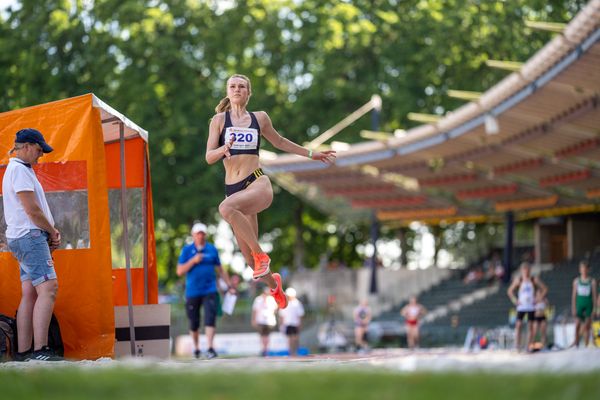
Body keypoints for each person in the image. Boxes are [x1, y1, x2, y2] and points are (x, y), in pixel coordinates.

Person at [206, 74, 336, 310]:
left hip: (256, 183)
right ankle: (275, 286)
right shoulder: (218, 120)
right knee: (249, 262)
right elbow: (209, 156)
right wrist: (224, 148)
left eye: (242, 87)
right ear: (227, 91)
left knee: (225, 209)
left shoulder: (260, 118)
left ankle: (261, 255)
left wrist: (310, 154)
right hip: (233, 192)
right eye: (233, 86)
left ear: (248, 93)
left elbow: (280, 142)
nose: (237, 90)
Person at [2, 128, 62, 361]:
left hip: (22, 237)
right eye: (38, 150)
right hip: (30, 236)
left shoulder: (17, 169)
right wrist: (52, 231)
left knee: (29, 293)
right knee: (48, 288)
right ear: (25, 146)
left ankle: (24, 352)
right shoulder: (19, 170)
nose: (41, 156)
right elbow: (32, 210)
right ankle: (41, 351)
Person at [176, 222, 234, 359]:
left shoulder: (212, 249)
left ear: (205, 235)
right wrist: (193, 261)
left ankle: (210, 347)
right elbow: (179, 271)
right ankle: (196, 348)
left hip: (210, 289)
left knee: (210, 317)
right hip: (192, 291)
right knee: (194, 321)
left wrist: (230, 286)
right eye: (198, 233)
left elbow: (220, 270)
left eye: (202, 233)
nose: (200, 236)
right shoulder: (186, 250)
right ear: (193, 235)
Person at [507, 262, 547, 351]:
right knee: (518, 325)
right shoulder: (519, 280)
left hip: (531, 306)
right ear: (522, 271)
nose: (526, 272)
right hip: (521, 307)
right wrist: (515, 300)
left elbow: (545, 289)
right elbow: (510, 291)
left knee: (530, 326)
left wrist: (538, 299)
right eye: (524, 270)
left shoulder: (533, 279)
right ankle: (517, 346)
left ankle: (528, 345)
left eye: (527, 270)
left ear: (530, 270)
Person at [571, 260, 597, 348]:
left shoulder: (592, 281)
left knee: (587, 326)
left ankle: (586, 345)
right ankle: (576, 344)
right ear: (580, 270)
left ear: (588, 270)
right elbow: (574, 296)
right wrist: (573, 307)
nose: (584, 271)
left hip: (588, 305)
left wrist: (595, 309)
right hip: (579, 305)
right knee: (577, 324)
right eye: (582, 269)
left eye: (585, 269)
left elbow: (594, 296)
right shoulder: (576, 281)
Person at [252, 286, 278, 356]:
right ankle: (263, 349)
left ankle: (266, 350)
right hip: (260, 320)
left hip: (269, 321)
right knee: (262, 336)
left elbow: (275, 310)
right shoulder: (258, 299)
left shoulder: (271, 300)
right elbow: (255, 311)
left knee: (267, 336)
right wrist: (254, 320)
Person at [278, 287, 305, 356]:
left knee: (295, 338)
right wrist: (281, 325)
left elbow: (300, 315)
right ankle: (291, 352)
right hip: (287, 323)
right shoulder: (285, 303)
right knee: (290, 339)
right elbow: (282, 316)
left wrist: (300, 324)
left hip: (295, 323)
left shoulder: (297, 304)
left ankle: (295, 351)